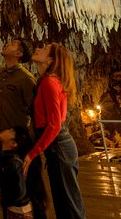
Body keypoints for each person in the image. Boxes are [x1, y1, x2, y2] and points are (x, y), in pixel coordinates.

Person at [23, 43, 86, 219]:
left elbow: (54, 125)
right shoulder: (47, 80)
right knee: (63, 201)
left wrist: (32, 154)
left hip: (59, 145)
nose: (38, 49)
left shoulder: (50, 83)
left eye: (44, 49)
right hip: (56, 147)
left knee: (69, 203)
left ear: (50, 60)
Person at [0, 38, 47, 219]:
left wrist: (34, 147)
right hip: (2, 140)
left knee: (29, 190)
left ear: (19, 54)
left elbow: (35, 112)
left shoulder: (26, 79)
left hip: (20, 143)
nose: (6, 43)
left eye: (12, 43)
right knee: (6, 188)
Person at [0, 126, 34, 219]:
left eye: (11, 131)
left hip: (20, 213)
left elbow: (20, 192)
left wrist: (3, 201)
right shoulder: (5, 158)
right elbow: (4, 180)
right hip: (13, 210)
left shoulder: (15, 164)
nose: (7, 129)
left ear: (13, 144)